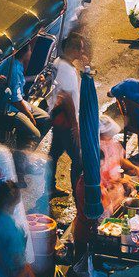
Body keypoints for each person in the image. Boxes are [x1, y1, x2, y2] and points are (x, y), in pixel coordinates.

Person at [46, 33, 87, 200]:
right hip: (66, 121)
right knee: (78, 158)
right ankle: (79, 193)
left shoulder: (58, 63)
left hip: (58, 119)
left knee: (54, 154)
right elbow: (67, 98)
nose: (82, 52)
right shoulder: (66, 69)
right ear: (72, 49)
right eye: (80, 49)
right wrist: (75, 125)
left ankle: (49, 187)